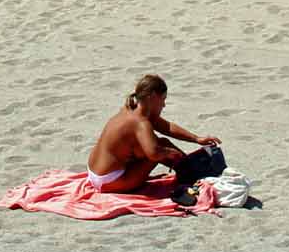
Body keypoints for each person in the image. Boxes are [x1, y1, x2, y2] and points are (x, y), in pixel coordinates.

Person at [84, 74, 217, 194]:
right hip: (108, 181)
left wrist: (197, 139)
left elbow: (166, 127)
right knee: (160, 149)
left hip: (94, 172)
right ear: (152, 97)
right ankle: (193, 174)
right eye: (163, 99)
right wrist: (173, 154)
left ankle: (189, 170)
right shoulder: (141, 123)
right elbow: (154, 154)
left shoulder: (131, 108)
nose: (164, 105)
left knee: (159, 144)